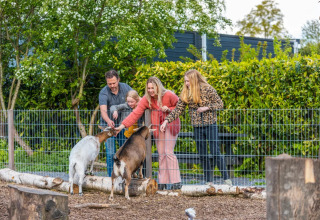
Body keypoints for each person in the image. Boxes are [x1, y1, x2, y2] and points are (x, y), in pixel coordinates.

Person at [160, 69, 232, 186]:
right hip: (197, 126)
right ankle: (208, 181)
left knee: (215, 152)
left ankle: (226, 179)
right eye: (185, 81)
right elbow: (178, 109)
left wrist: (207, 107)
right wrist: (166, 121)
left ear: (194, 80)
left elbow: (220, 104)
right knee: (202, 154)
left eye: (188, 81)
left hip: (210, 124)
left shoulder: (207, 89)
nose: (186, 83)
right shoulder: (186, 92)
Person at [115, 76, 182, 190]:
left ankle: (176, 181)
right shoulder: (147, 99)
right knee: (161, 154)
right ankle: (162, 182)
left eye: (152, 88)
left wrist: (169, 108)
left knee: (168, 152)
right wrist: (121, 126)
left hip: (170, 125)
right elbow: (135, 114)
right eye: (148, 88)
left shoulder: (169, 95)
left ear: (158, 86)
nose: (150, 90)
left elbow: (180, 106)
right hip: (157, 127)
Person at [99, 69, 132, 177]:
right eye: (109, 84)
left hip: (122, 126)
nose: (112, 85)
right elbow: (103, 110)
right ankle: (110, 177)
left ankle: (124, 175)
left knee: (124, 152)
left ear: (118, 80)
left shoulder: (126, 88)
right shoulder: (104, 92)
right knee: (110, 153)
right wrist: (109, 121)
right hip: (108, 126)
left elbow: (136, 98)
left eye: (114, 83)